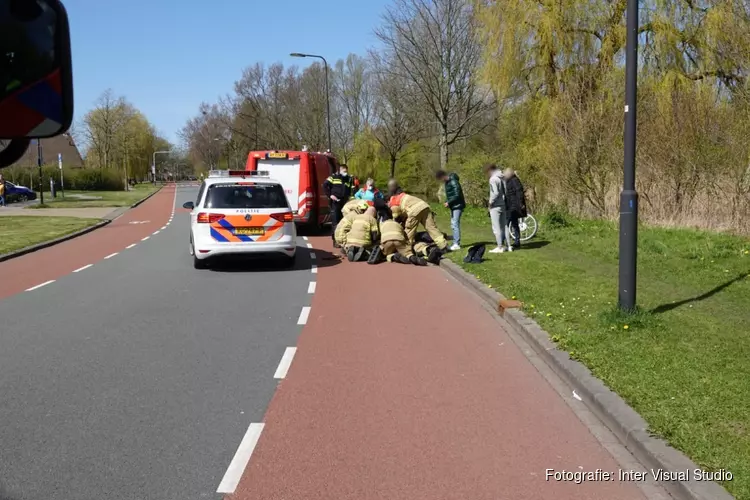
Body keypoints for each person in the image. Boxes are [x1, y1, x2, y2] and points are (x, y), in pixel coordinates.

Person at [387, 182, 448, 251]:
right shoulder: (404, 196)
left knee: (409, 231)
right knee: (432, 228)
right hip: (425, 207)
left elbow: (396, 216)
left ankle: (407, 250)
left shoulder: (393, 200)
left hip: (414, 211)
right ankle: (443, 246)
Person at [323, 164, 354, 247]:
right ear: (340, 170)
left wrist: (350, 199)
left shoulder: (349, 179)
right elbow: (325, 185)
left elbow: (350, 190)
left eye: (346, 171)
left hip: (344, 203)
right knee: (335, 222)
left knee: (344, 222)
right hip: (335, 202)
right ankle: (335, 240)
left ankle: (342, 239)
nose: (345, 173)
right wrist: (330, 195)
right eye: (344, 171)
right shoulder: (333, 177)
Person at [435, 170, 465, 251]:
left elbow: (457, 194)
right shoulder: (447, 182)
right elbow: (450, 195)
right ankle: (455, 242)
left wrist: (449, 202)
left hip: (458, 205)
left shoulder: (453, 182)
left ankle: (457, 244)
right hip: (454, 206)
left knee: (455, 224)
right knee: (453, 224)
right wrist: (447, 201)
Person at [485, 164, 512, 253]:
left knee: (496, 227)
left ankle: (499, 246)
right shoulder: (502, 177)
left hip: (495, 206)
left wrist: (490, 203)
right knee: (504, 226)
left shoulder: (493, 179)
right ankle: (509, 246)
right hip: (503, 204)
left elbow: (495, 193)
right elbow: (505, 191)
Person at [503, 168, 527, 249]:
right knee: (514, 223)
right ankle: (516, 241)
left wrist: (521, 203)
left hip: (513, 205)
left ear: (509, 174)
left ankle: (506, 241)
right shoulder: (510, 180)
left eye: (505, 174)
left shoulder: (514, 180)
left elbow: (519, 192)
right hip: (511, 204)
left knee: (507, 223)